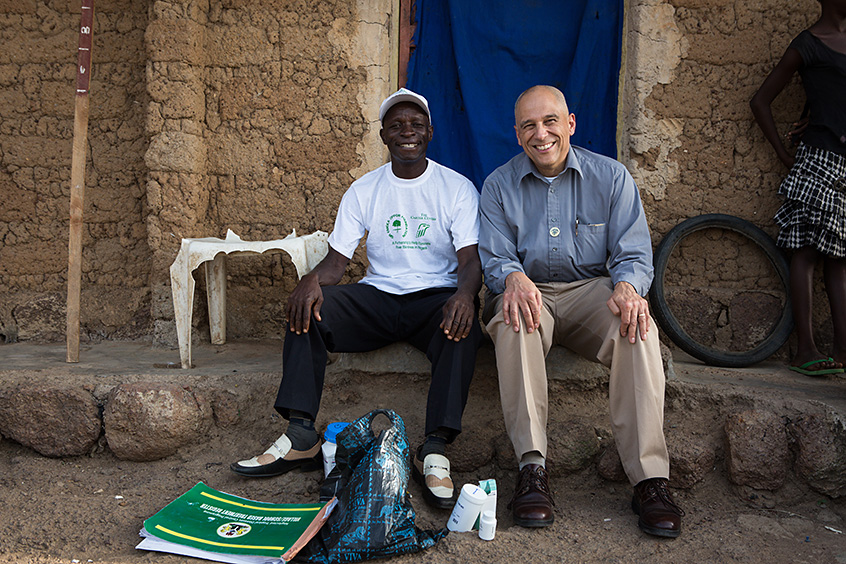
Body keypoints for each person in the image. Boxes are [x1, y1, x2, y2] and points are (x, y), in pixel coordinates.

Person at [230, 88, 483, 510]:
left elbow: (470, 260)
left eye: (416, 126)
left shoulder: (455, 188)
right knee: (307, 309)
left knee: (462, 322)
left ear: (430, 133)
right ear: (383, 135)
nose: (407, 133)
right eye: (397, 126)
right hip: (379, 298)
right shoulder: (365, 189)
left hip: (433, 300)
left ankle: (434, 448)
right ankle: (300, 436)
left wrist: (464, 294)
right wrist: (311, 281)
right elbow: (335, 263)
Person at [479, 85, 683, 537]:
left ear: (570, 124)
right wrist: (512, 279)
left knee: (638, 327)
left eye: (550, 121)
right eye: (529, 125)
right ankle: (532, 470)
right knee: (514, 321)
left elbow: (632, 252)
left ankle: (650, 480)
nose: (541, 133)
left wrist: (629, 288)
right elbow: (496, 258)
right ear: (517, 135)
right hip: (530, 291)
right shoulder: (497, 186)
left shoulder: (611, 178)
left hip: (592, 291)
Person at [750, 0, 846, 377]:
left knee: (839, 259)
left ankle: (841, 349)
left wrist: (811, 111)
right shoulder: (808, 44)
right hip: (818, 158)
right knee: (805, 252)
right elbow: (760, 101)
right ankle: (805, 348)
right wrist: (783, 154)